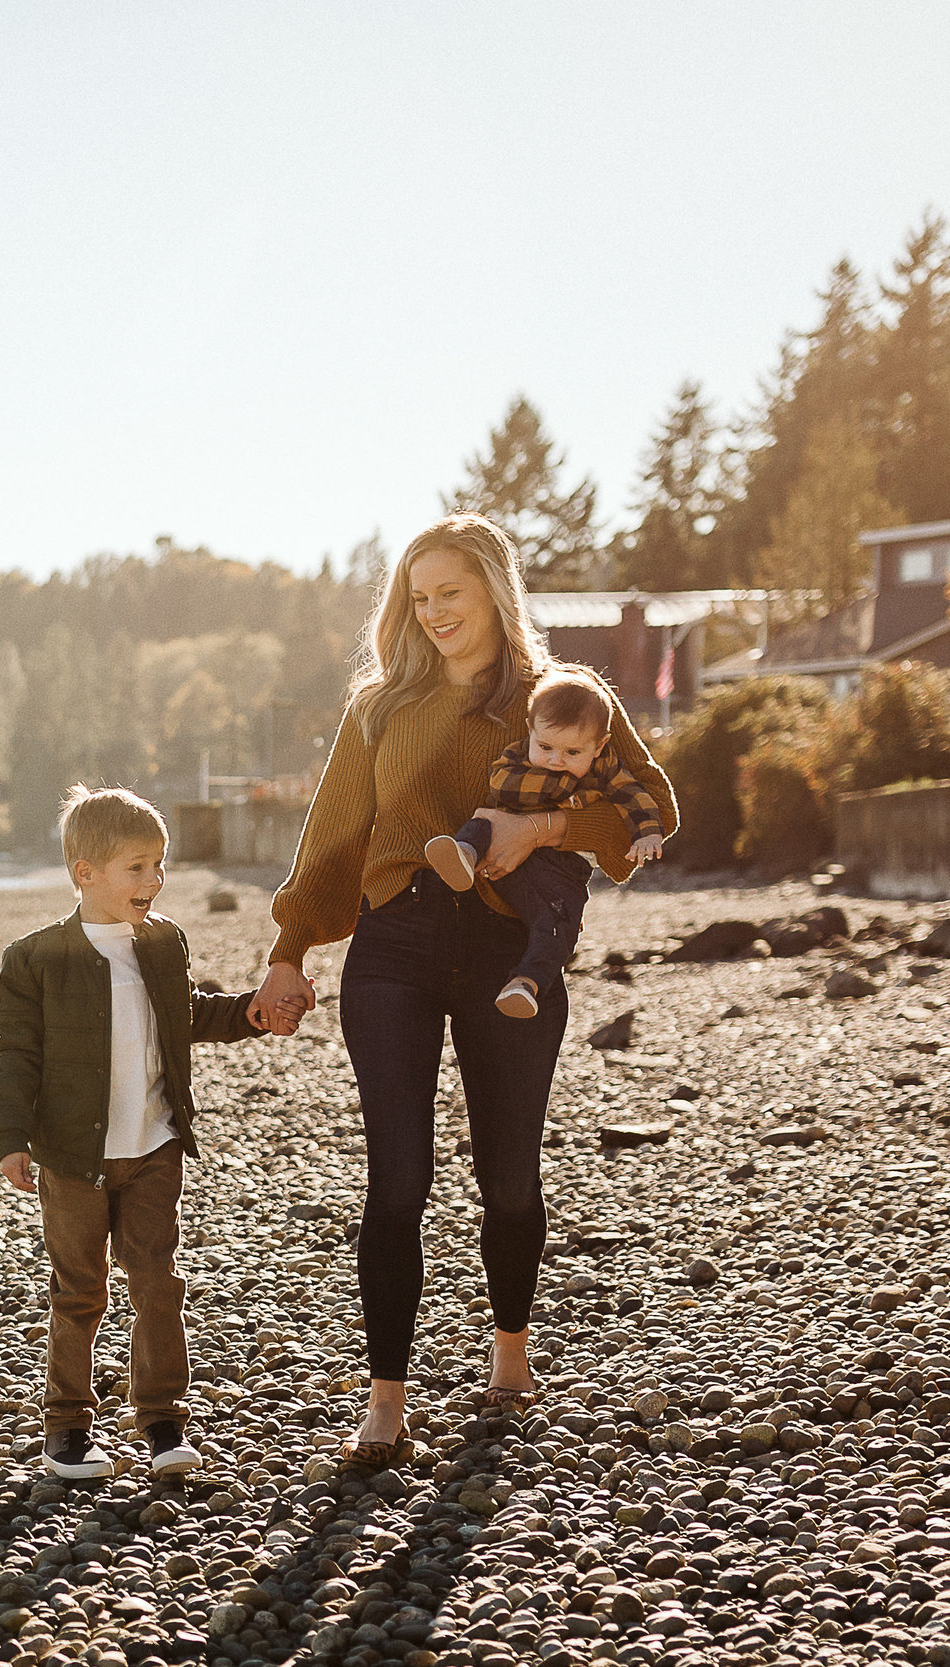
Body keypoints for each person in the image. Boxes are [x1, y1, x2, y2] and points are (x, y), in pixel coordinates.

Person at [246, 514, 676, 1466]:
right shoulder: (380, 707)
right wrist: (290, 949)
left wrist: (544, 834)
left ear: (494, 590)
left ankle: (511, 1353)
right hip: (394, 940)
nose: (434, 612)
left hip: (505, 947)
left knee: (509, 1176)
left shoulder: (560, 697)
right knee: (396, 1179)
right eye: (418, 596)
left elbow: (643, 812)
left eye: (452, 591)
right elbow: (334, 837)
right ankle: (386, 1402)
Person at [0, 786, 268, 1481]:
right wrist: (11, 1138)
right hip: (72, 1157)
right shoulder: (35, 957)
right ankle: (67, 1430)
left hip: (153, 1145)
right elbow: (16, 1054)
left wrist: (254, 1012)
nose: (154, 880)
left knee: (156, 1282)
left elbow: (189, 1014)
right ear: (85, 872)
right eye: (136, 867)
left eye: (158, 865)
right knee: (79, 1292)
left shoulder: (165, 939)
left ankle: (164, 1420)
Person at [422, 666, 668, 1019]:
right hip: (495, 852)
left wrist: (647, 831)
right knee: (481, 823)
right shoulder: (518, 755)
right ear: (530, 730)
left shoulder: (607, 766)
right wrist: (572, 791)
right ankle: (462, 856)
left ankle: (526, 983)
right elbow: (502, 785)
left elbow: (635, 795)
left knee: (559, 925)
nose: (555, 760)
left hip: (560, 873)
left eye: (572, 753)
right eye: (546, 747)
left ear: (599, 746)